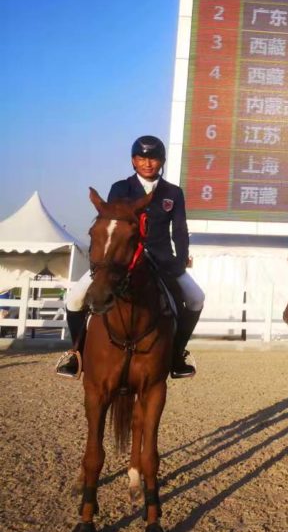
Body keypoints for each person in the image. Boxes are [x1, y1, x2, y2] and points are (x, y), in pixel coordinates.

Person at [56, 136, 204, 379]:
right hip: (121, 258)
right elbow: (110, 225)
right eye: (142, 158)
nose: (148, 164)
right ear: (134, 161)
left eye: (153, 158)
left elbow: (179, 229)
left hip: (162, 258)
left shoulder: (173, 193)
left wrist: (180, 259)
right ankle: (76, 353)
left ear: (161, 161)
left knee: (196, 298)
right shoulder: (120, 188)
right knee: (74, 298)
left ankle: (177, 354)